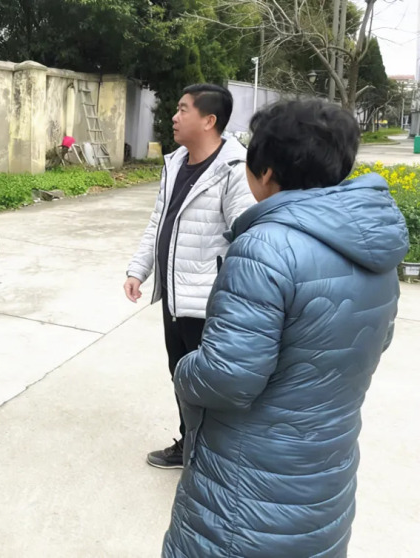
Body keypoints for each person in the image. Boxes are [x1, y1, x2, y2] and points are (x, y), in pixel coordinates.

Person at [162, 100, 408, 557]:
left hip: (248, 484)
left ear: (267, 172)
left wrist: (185, 369)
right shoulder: (375, 248)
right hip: (326, 470)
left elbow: (228, 377)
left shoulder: (264, 247)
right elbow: (379, 339)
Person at [124, 84, 256, 468]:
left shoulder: (234, 169)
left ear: (209, 120)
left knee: (211, 385)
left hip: (208, 303)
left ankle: (214, 458)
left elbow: (247, 239)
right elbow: (158, 222)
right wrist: (139, 269)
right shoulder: (176, 163)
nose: (174, 116)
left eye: (183, 110)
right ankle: (189, 445)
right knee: (180, 376)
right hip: (175, 297)